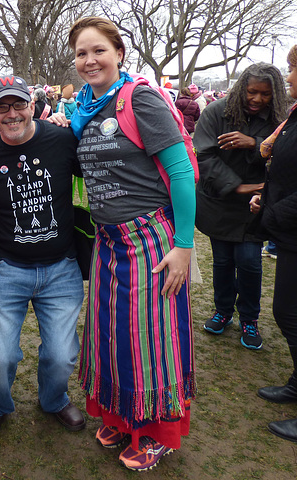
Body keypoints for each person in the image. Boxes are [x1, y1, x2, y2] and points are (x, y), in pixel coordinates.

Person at [50, 16, 197, 471]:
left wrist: (185, 245)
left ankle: (156, 431)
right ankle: (120, 414)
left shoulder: (142, 99)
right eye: (81, 53)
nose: (89, 60)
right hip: (109, 242)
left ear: (119, 54)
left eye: (99, 51)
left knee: (152, 340)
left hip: (152, 241)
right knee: (112, 337)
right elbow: (90, 170)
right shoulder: (84, 110)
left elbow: (181, 172)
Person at [0, 75, 86, 440]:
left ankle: (54, 399)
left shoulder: (62, 141)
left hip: (60, 269)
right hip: (3, 269)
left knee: (62, 355)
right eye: (2, 107)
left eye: (18, 105)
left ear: (33, 106)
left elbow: (98, 169)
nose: (11, 114)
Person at [194, 63, 289, 350]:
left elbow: (286, 156)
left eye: (265, 94)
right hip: (220, 201)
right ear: (240, 89)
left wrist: (256, 143)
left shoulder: (279, 119)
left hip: (255, 204)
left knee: (249, 261)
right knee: (222, 261)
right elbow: (205, 156)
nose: (257, 99)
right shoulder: (216, 112)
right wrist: (236, 185)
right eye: (251, 92)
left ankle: (249, 318)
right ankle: (223, 311)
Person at [250, 44, 297, 443]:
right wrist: (265, 195)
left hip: (291, 226)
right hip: (288, 227)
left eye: (293, 68)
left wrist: (272, 214)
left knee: (290, 313)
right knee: (287, 312)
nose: (289, 76)